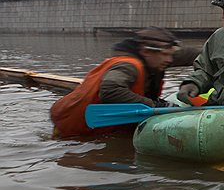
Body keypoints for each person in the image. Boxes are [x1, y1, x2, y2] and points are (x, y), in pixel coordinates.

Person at [50, 27, 197, 137]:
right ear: (146, 52)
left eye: (170, 55)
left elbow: (190, 55)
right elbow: (110, 89)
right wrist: (156, 105)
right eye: (165, 55)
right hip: (76, 131)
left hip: (99, 126)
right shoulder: (128, 66)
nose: (170, 60)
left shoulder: (155, 59)